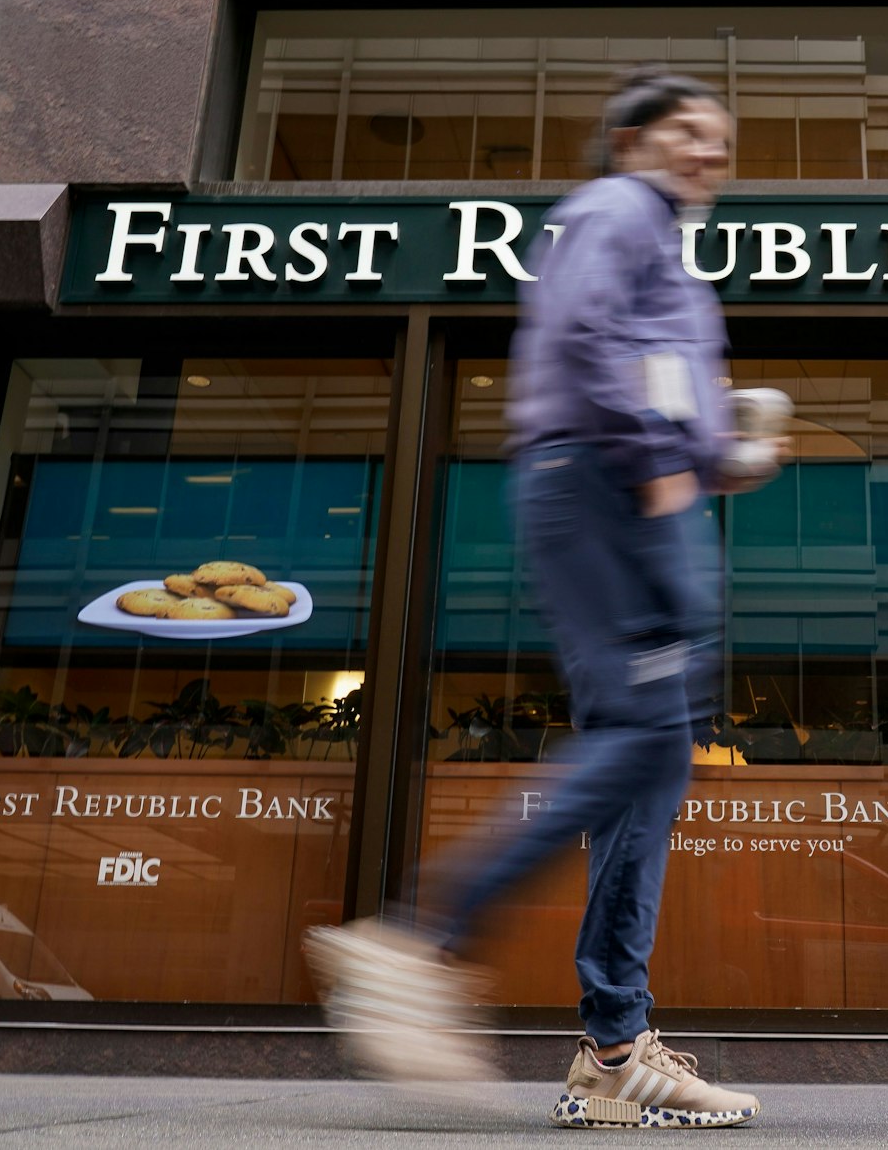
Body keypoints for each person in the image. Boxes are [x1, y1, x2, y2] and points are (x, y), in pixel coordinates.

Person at [306, 68, 779, 1130]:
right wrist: (661, 458)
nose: (710, 150)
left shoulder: (659, 241)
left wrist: (723, 451)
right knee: (649, 733)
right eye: (688, 130)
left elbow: (643, 371)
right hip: (606, 490)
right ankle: (415, 939)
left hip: (619, 486)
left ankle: (614, 1046)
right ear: (631, 140)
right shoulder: (617, 208)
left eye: (722, 137)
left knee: (648, 752)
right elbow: (580, 330)